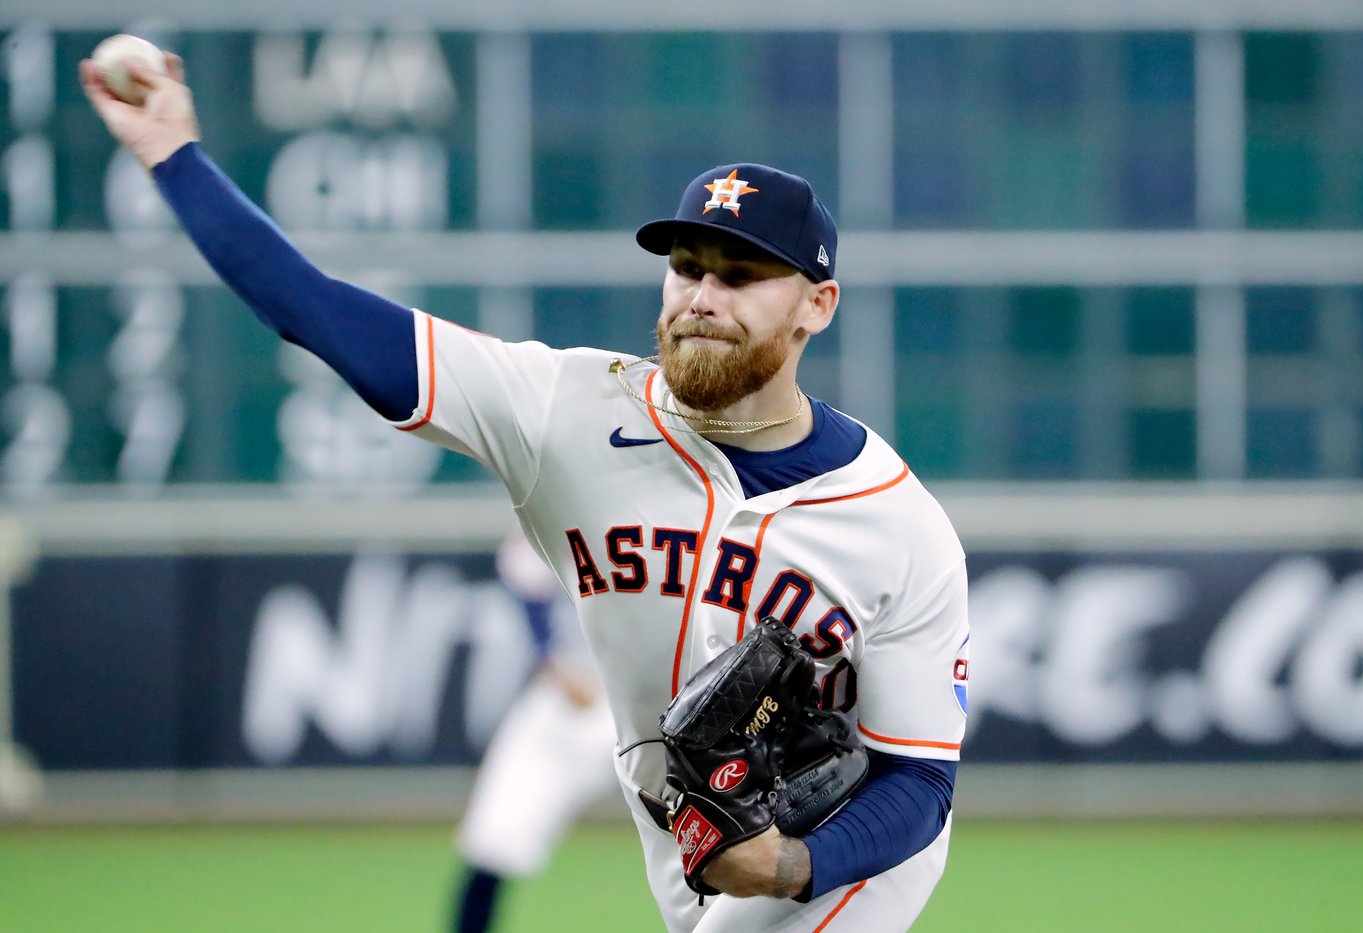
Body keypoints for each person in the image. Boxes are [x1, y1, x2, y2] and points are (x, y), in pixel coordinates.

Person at [82, 51, 971, 933]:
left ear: (816, 306)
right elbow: (314, 308)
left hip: (837, 851)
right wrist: (173, 153)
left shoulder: (895, 523)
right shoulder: (565, 411)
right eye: (687, 266)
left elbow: (922, 780)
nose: (702, 295)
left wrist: (792, 862)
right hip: (685, 854)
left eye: (739, 277)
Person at [452, 530, 617, 933]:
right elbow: (523, 568)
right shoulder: (551, 507)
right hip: (570, 704)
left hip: (656, 702)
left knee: (715, 840)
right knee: (494, 839)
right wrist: (552, 661)